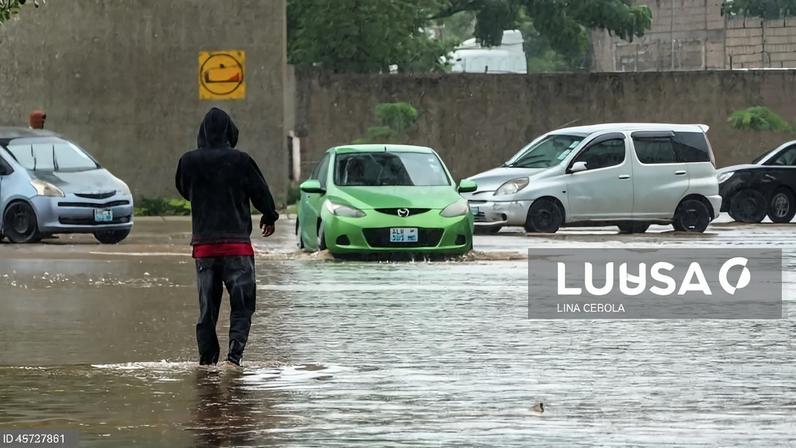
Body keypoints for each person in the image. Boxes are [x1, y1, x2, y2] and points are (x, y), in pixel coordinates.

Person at [175, 107, 279, 367]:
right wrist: (269, 216)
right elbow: (261, 193)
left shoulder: (188, 162)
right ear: (229, 132)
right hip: (237, 248)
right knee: (242, 306)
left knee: (207, 311)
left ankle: (207, 364)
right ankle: (234, 357)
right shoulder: (241, 161)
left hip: (204, 249)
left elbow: (184, 190)